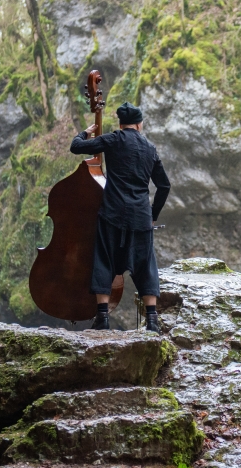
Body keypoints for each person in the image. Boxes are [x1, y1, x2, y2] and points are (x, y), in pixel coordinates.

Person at [70, 102, 170, 333]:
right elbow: (164, 185)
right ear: (139, 124)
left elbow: (77, 147)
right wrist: (152, 215)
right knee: (146, 265)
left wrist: (86, 132)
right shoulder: (150, 148)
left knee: (104, 260)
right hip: (141, 216)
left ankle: (102, 317)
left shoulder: (114, 139)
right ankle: (153, 321)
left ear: (120, 123)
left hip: (113, 213)